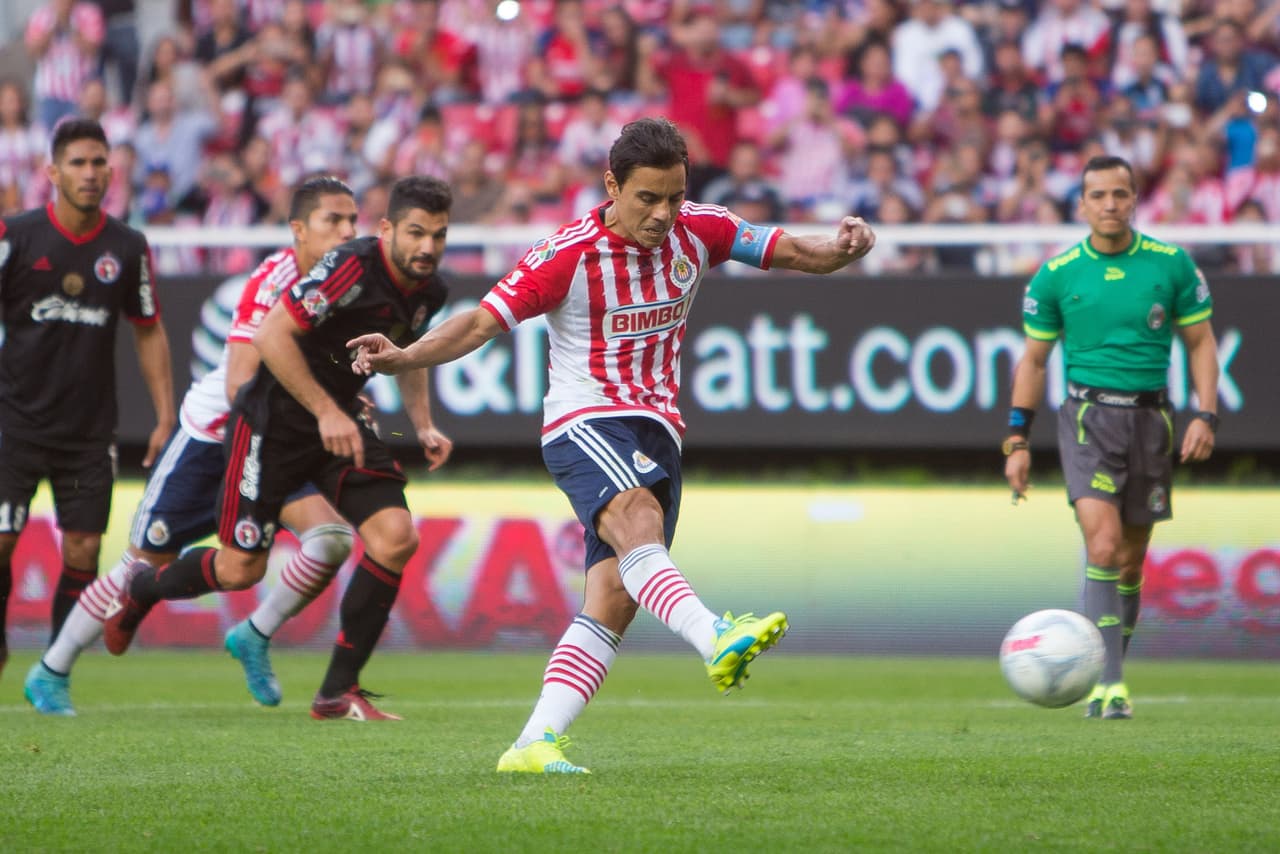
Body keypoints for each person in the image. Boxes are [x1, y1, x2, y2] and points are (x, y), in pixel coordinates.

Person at [347, 118, 877, 772]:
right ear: (611, 186)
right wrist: (405, 357)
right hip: (584, 416)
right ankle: (714, 635)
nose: (662, 214)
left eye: (674, 197)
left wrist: (844, 247)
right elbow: (481, 321)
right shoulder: (568, 254)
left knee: (614, 599)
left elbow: (796, 251)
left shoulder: (701, 228)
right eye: (647, 198)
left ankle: (532, 745)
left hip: (658, 425)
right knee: (638, 519)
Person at [102, 175, 455, 722]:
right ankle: (144, 588)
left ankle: (338, 691)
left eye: (438, 235)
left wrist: (424, 425)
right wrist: (325, 411)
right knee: (243, 568)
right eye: (416, 233)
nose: (428, 247)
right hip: (269, 423)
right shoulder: (349, 268)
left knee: (394, 539)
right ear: (387, 230)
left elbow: (402, 355)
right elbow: (270, 336)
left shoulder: (429, 291)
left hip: (332, 425)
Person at [23, 175, 361, 715]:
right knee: (136, 567)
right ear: (298, 230)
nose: (347, 232)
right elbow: (238, 386)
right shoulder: (275, 278)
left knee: (330, 540)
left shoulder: (353, 283)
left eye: (352, 221)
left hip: (273, 442)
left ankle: (254, 633)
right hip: (214, 437)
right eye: (333, 221)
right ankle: (50, 671)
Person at [1003, 155, 1218, 721]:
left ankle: (1099, 669)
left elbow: (1200, 343)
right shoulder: (1058, 273)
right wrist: (1017, 441)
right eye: (1098, 195)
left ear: (1134, 199)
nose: (1110, 205)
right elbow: (1032, 360)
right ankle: (1109, 685)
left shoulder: (1171, 266)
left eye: (1120, 194)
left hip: (1152, 420)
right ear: (1081, 204)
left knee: (1130, 561)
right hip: (1087, 419)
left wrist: (1206, 414)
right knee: (1101, 545)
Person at [0, 119, 173, 681]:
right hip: (15, 423)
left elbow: (148, 328)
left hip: (89, 433)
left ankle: (53, 669)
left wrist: (165, 414)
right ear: (51, 172)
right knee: (1, 542)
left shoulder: (127, 246)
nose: (91, 173)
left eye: (99, 162)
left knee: (81, 554)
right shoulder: (15, 237)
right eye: (78, 162)